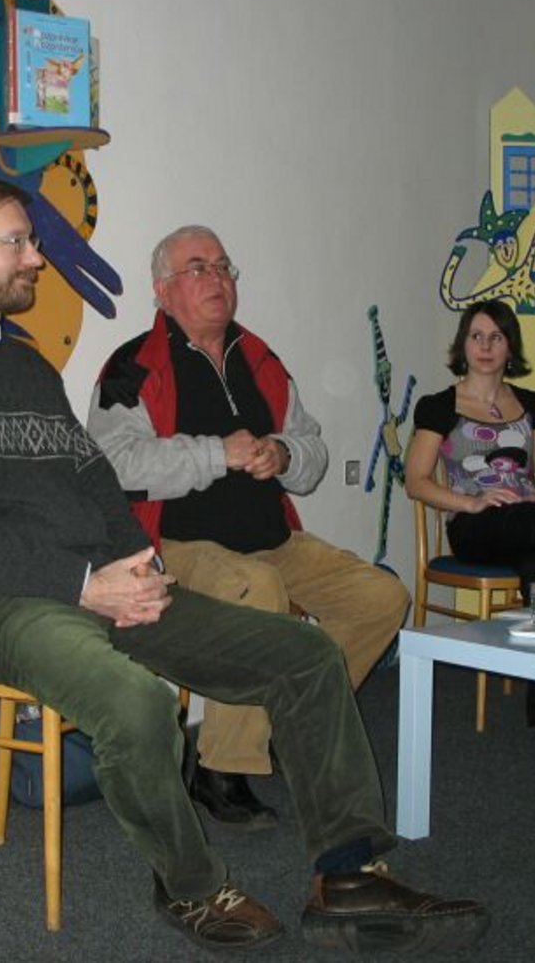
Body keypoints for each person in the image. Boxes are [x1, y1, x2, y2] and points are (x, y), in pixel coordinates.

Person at [0, 176, 488, 954]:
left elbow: (95, 480)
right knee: (137, 701)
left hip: (101, 582)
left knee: (305, 654)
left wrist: (137, 565)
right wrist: (85, 586)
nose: (36, 259)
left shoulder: (27, 368)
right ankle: (191, 885)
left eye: (32, 242)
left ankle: (349, 873)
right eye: (16, 242)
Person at [88, 224, 408, 830]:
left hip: (273, 538)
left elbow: (311, 449)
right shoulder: (133, 367)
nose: (217, 278)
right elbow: (116, 464)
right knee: (256, 589)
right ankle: (220, 767)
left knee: (381, 597)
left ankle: (294, 721)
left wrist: (283, 455)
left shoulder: (260, 358)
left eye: (223, 266)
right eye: (198, 267)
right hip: (176, 545)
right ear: (163, 290)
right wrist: (220, 454)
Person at [404, 300, 535, 727]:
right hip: (475, 525)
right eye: (476, 336)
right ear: (462, 344)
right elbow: (416, 481)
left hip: (530, 523)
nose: (485, 346)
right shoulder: (439, 405)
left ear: (510, 346)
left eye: (496, 337)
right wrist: (472, 502)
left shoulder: (531, 404)